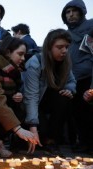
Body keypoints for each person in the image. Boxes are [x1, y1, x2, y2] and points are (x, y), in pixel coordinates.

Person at [0, 36, 41, 157]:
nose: (23, 58)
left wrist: (17, 94)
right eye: (20, 54)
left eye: (24, 55)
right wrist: (18, 129)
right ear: (8, 52)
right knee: (2, 109)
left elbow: (12, 90)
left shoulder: (13, 70)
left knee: (18, 107)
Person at [23, 29, 76, 155]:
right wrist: (33, 127)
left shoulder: (66, 62)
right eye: (59, 47)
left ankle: (51, 141)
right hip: (34, 102)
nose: (64, 51)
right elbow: (31, 96)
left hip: (52, 101)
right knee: (41, 128)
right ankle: (29, 138)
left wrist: (69, 89)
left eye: (67, 47)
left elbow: (72, 81)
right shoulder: (35, 63)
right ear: (49, 47)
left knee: (65, 98)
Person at [61, 0, 93, 154]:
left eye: (74, 11)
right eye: (67, 12)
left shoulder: (91, 26)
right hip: (73, 79)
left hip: (89, 77)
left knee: (89, 112)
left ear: (82, 11)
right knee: (77, 113)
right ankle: (84, 142)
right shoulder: (65, 34)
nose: (71, 14)